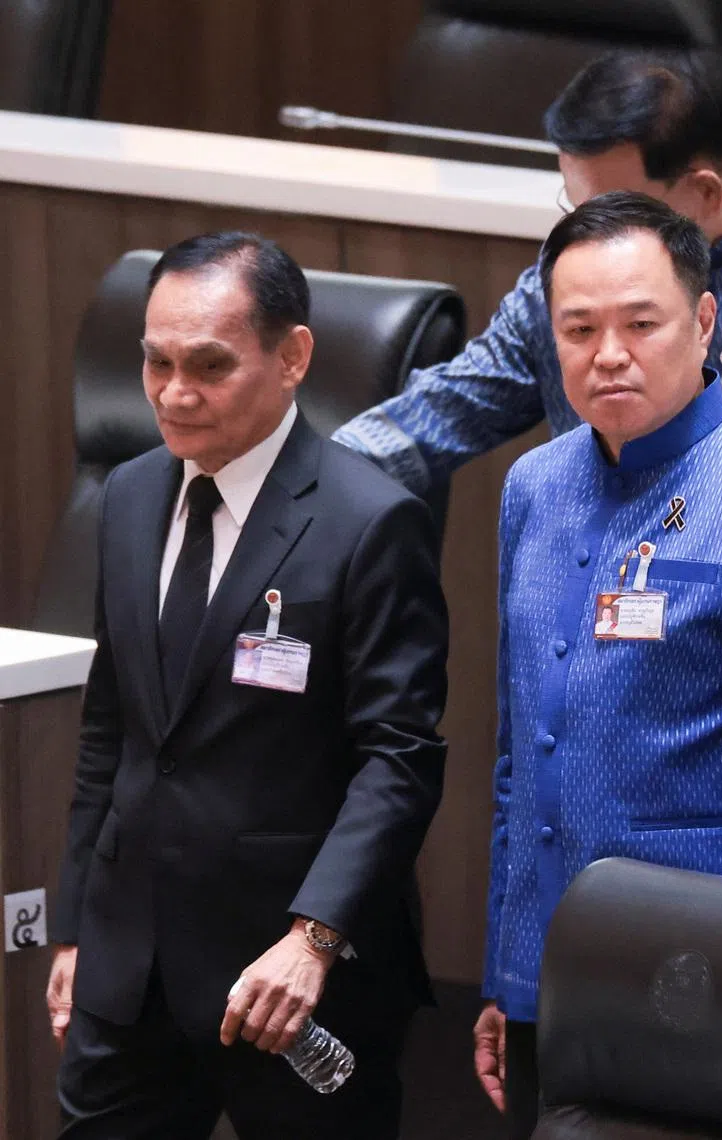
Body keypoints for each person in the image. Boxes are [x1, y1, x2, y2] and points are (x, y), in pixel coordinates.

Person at [334, 53, 722, 867]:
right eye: (575, 205)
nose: (589, 235)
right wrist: (299, 483)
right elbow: (441, 412)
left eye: (612, 207)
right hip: (600, 712)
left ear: (701, 193)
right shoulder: (573, 277)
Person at [473, 191, 722, 1137]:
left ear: (702, 323)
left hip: (698, 983)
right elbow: (517, 755)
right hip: (547, 974)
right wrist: (504, 972)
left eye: (639, 323)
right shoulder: (535, 485)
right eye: (578, 328)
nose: (608, 353)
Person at [44, 232, 448, 1138]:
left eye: (210, 366)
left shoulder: (370, 522)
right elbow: (111, 727)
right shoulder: (130, 498)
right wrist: (76, 922)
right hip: (131, 965)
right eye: (155, 363)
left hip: (290, 975)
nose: (174, 393)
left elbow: (400, 761)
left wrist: (314, 940)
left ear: (292, 357)